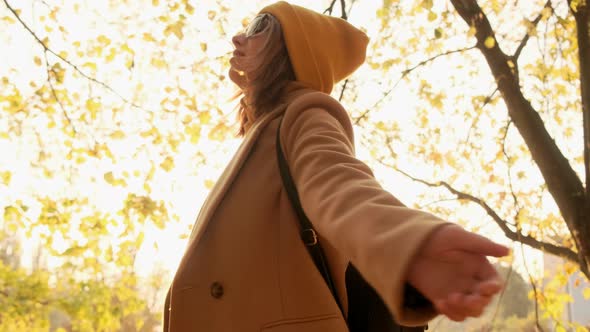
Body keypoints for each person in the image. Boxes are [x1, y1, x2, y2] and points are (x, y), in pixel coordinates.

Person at [164, 2, 510, 331]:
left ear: (289, 52)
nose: (239, 38)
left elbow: (337, 185)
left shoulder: (305, 115)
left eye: (258, 30)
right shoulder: (262, 132)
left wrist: (408, 245)